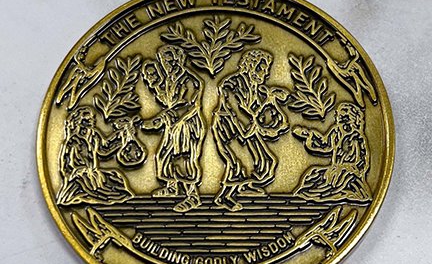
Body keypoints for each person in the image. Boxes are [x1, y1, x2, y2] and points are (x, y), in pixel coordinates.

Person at [212, 49, 290, 211]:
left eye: (267, 69)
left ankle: (244, 187)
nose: (265, 73)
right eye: (262, 68)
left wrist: (271, 102)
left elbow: (268, 115)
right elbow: (237, 112)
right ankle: (224, 197)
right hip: (229, 129)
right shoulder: (230, 85)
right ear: (250, 66)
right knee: (240, 163)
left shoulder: (257, 88)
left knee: (266, 161)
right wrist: (259, 124)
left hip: (247, 128)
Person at [141, 45, 205, 213]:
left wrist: (159, 120)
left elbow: (189, 106)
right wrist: (155, 85)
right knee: (164, 154)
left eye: (171, 60)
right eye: (164, 61)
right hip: (173, 125)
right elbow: (167, 101)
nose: (168, 64)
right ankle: (172, 186)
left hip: (187, 124)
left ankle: (192, 196)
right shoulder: (171, 79)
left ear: (180, 59)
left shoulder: (190, 80)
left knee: (183, 159)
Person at [293, 102, 371, 202]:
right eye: (340, 119)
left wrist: (350, 170)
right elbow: (325, 144)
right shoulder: (336, 132)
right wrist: (308, 135)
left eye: (346, 119)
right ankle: (305, 193)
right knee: (314, 173)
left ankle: (324, 194)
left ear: (354, 120)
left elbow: (363, 161)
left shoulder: (357, 138)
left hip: (350, 173)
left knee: (336, 179)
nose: (343, 124)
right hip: (334, 169)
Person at [57, 106, 134, 205]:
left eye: (92, 118)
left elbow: (104, 148)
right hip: (79, 175)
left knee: (115, 177)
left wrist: (121, 134)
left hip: (93, 173)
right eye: (88, 118)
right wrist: (81, 172)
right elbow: (67, 166)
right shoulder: (73, 140)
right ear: (79, 121)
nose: (92, 120)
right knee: (92, 182)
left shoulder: (93, 134)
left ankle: (118, 196)